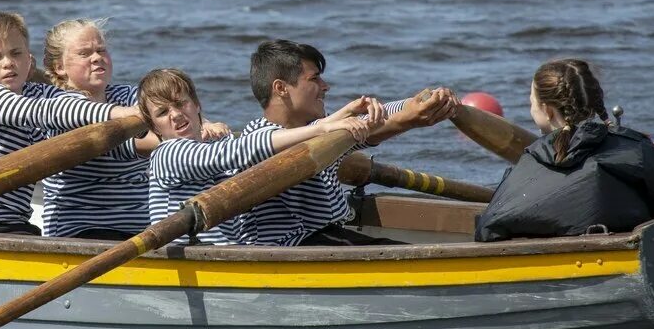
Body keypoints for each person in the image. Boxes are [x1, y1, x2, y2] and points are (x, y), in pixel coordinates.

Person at [239, 40, 460, 246]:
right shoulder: (258, 139)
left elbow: (368, 125)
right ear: (280, 88)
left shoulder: (322, 129)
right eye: (314, 79)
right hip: (289, 247)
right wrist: (403, 118)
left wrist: (421, 102)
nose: (325, 86)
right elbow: (302, 145)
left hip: (327, 237)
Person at [0, 12, 141, 235]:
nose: (8, 63)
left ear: (29, 59)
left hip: (13, 220)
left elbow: (71, 100)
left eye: (16, 54)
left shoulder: (38, 92)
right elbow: (45, 111)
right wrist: (120, 112)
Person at [140, 68, 382, 246]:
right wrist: (321, 128)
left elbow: (257, 151)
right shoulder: (167, 155)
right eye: (162, 112)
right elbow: (239, 152)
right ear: (155, 127)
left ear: (196, 105)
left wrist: (341, 116)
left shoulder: (218, 141)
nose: (175, 115)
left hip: (234, 254)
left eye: (180, 104)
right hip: (192, 259)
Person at [475, 58, 654, 241]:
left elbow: (487, 228)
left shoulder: (526, 166)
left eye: (531, 103)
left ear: (546, 111)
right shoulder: (638, 152)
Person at [38, 18, 230, 240]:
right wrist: (185, 140)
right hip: (82, 227)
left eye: (101, 50)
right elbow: (133, 141)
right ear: (59, 67)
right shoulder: (59, 105)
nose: (97, 57)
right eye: (84, 53)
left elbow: (167, 106)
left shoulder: (125, 94)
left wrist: (204, 124)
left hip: (139, 225)